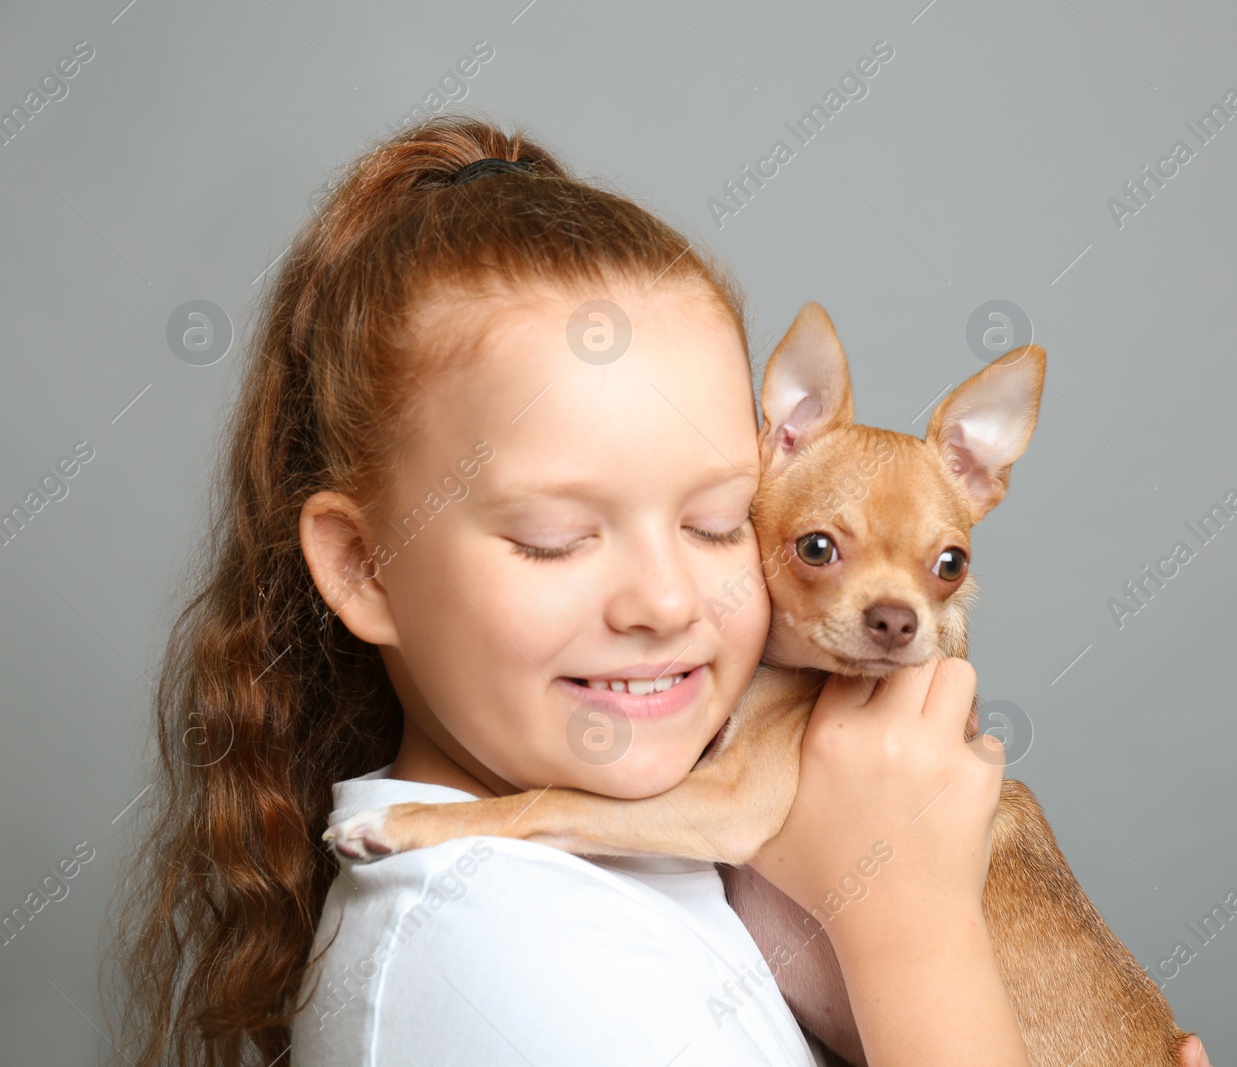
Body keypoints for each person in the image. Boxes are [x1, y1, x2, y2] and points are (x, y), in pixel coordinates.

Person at [107, 115, 1029, 1067]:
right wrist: (913, 931)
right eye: (555, 540)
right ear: (363, 566)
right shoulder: (534, 973)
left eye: (719, 525)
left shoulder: (671, 876)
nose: (669, 604)